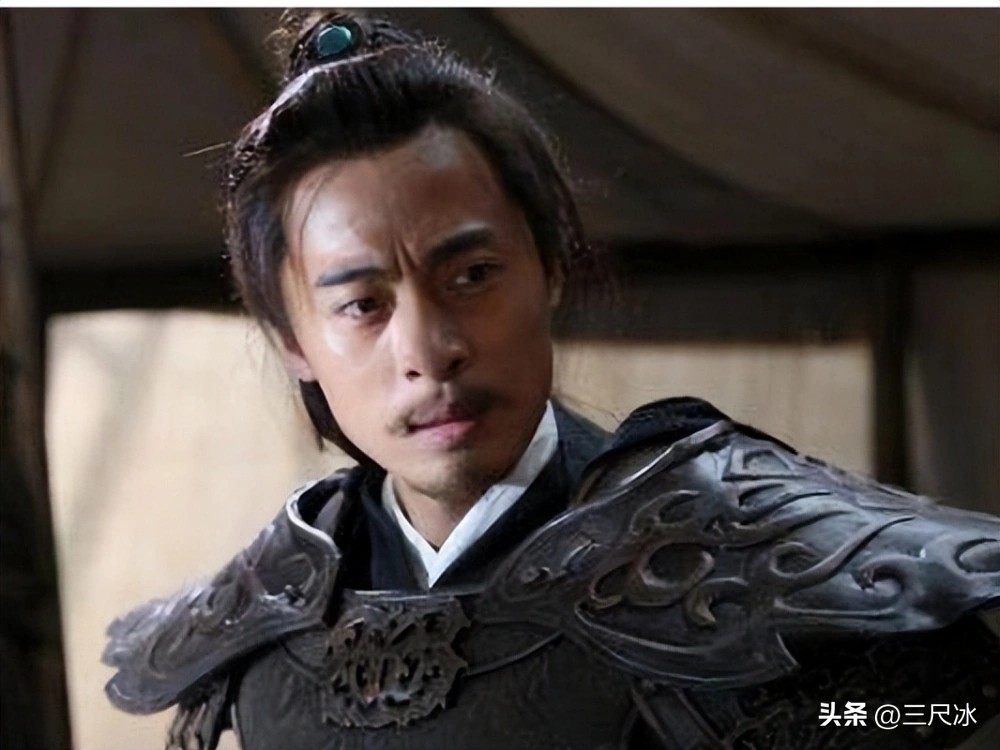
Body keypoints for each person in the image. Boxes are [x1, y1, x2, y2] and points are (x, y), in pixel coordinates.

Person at [102, 11, 1000, 750]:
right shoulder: (259, 623)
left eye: (471, 275)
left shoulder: (736, 542)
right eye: (362, 305)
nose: (429, 348)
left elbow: (936, 707)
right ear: (293, 341)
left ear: (551, 269)